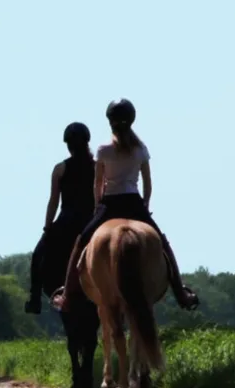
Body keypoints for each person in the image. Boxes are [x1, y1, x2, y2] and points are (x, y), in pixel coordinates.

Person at [49, 98, 199, 313]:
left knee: (81, 241)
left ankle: (67, 296)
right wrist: (145, 205)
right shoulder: (141, 149)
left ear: (110, 122)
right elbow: (148, 182)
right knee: (162, 243)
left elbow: (98, 183)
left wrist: (97, 205)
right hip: (134, 203)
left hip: (110, 204)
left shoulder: (103, 150)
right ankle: (181, 293)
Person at [24, 122, 97, 314]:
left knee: (38, 254)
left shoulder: (60, 169)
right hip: (91, 221)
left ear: (68, 145)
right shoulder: (99, 167)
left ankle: (34, 298)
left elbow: (53, 202)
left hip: (66, 221)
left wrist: (47, 228)